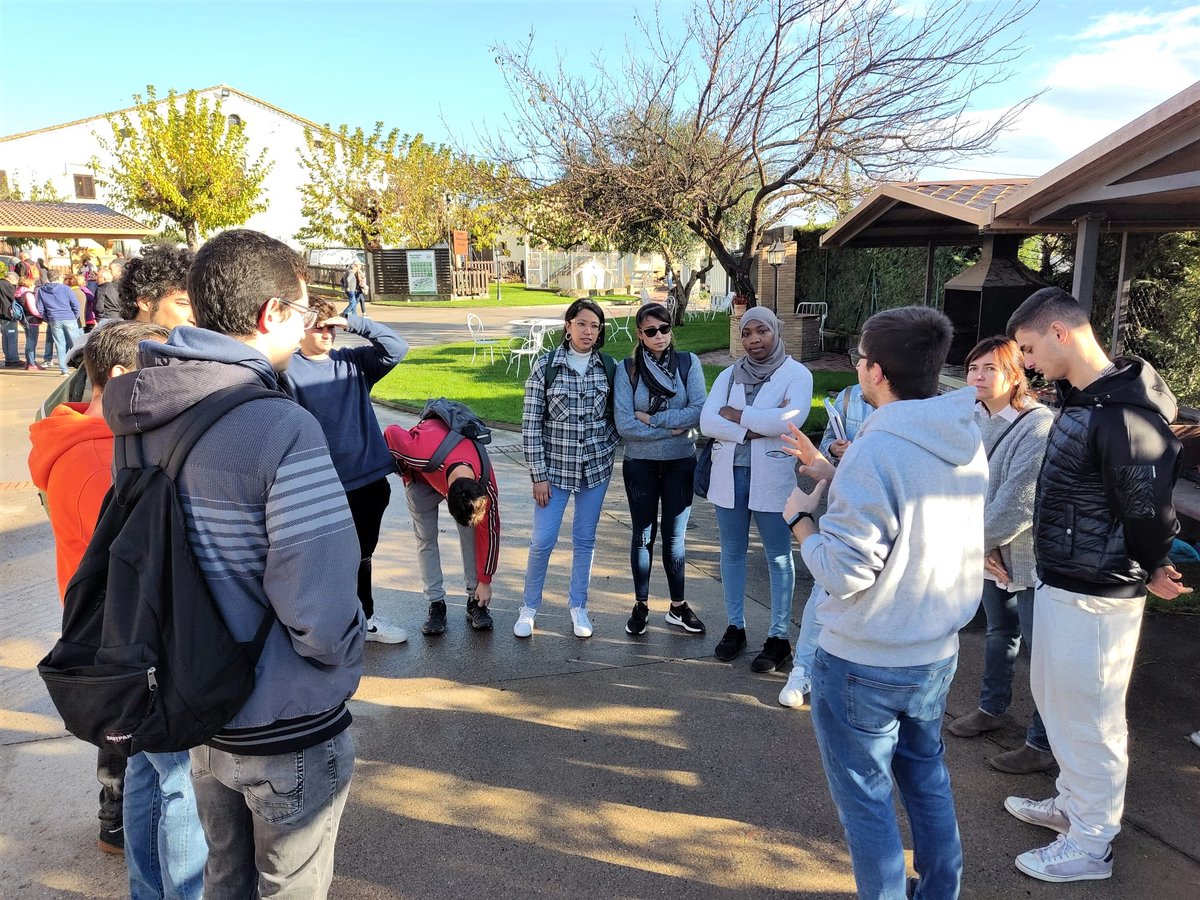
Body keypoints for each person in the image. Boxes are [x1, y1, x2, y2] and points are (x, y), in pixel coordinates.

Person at [101, 229, 364, 897]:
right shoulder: (281, 425)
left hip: (198, 705)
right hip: (286, 718)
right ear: (271, 314)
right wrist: (341, 653)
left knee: (224, 877)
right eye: (304, 311)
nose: (309, 326)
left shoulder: (143, 409)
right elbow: (320, 606)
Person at [781, 305, 987, 900]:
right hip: (933, 652)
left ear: (874, 371)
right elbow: (913, 512)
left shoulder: (876, 449)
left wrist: (801, 523)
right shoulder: (961, 435)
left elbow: (844, 574)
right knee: (927, 781)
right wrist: (831, 473)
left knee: (868, 806)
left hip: (863, 658)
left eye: (860, 360)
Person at [1003, 287, 1189, 883]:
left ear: (1061, 333)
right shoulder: (1086, 402)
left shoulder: (1125, 413)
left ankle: (1091, 845)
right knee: (1059, 702)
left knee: (1092, 717)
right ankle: (1074, 806)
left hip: (1099, 593)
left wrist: (1154, 562)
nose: (1026, 362)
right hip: (1063, 579)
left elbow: (1146, 508)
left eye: (1028, 348)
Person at [29, 322, 209, 897]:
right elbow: (142, 556)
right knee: (178, 774)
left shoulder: (81, 438)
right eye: (164, 372)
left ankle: (148, 887)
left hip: (114, 629)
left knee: (148, 769)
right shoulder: (98, 455)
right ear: (123, 378)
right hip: (130, 634)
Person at [945, 337, 1056, 775]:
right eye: (973, 368)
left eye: (989, 368)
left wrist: (977, 545)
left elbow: (1019, 501)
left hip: (1026, 554)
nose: (977, 376)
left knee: (1041, 648)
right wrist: (980, 548)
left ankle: (1041, 742)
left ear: (1014, 374)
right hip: (986, 552)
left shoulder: (1038, 426)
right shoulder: (968, 418)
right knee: (999, 631)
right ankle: (991, 710)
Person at [286, 297, 409, 643]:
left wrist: (353, 322)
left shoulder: (353, 361)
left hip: (369, 480)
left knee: (361, 555)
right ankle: (325, 625)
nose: (327, 333)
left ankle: (364, 619)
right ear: (300, 329)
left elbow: (397, 347)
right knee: (324, 559)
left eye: (331, 326)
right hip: (323, 484)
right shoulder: (287, 371)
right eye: (318, 326)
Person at [699, 306, 812, 671]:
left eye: (761, 331)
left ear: (776, 332)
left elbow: (790, 420)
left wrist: (736, 415)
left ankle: (779, 637)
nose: (754, 340)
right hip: (730, 476)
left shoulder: (797, 374)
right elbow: (706, 420)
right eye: (747, 333)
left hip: (773, 478)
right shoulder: (730, 375)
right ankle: (736, 627)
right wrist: (755, 426)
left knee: (778, 556)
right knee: (731, 552)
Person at [516, 298, 620, 639]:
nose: (588, 331)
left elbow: (618, 416)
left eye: (595, 326)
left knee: (585, 540)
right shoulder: (546, 366)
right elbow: (531, 425)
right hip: (554, 473)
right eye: (582, 324)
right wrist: (538, 475)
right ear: (568, 325)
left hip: (595, 469)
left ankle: (579, 607)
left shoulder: (608, 367)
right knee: (543, 540)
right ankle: (529, 608)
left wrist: (608, 444)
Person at [778, 380, 875, 708]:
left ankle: (846, 678)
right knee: (823, 591)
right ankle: (803, 668)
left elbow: (881, 483)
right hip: (842, 507)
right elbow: (832, 441)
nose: (858, 367)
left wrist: (799, 521)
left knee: (842, 587)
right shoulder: (850, 397)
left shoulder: (906, 418)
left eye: (863, 359)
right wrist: (833, 456)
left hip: (869, 522)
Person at [613, 302, 708, 636]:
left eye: (664, 329)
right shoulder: (627, 370)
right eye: (650, 331)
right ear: (639, 334)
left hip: (680, 462)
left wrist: (654, 420)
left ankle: (677, 607)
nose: (659, 336)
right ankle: (641, 605)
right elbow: (624, 423)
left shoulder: (688, 363)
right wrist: (671, 428)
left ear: (671, 329)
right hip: (640, 464)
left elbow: (698, 410)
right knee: (642, 534)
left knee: (674, 539)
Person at [385, 412, 501, 634]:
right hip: (423, 475)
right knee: (426, 538)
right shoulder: (420, 452)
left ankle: (475, 600)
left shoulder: (486, 484)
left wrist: (485, 580)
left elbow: (491, 532)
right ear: (447, 497)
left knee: (472, 535)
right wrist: (407, 474)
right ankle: (436, 603)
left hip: (446, 466)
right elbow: (391, 433)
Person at [36, 271, 82, 375]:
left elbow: (40, 308)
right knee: (75, 344)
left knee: (60, 344)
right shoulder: (66, 289)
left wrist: (47, 318)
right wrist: (75, 316)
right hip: (68, 317)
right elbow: (75, 304)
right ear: (59, 277)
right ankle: (79, 365)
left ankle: (64, 369)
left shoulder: (41, 290)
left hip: (54, 318)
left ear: (48, 278)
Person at [16, 276, 43, 370]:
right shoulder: (28, 294)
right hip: (32, 320)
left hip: (24, 319)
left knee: (29, 341)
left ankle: (29, 362)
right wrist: (43, 316)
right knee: (32, 342)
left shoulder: (18, 292)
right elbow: (33, 310)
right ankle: (31, 363)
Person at [1, 270, 20, 367]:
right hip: (8, 315)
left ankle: (8, 358)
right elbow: (15, 297)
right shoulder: (7, 285)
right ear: (12, 279)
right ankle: (13, 359)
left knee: (5, 338)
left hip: (2, 316)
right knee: (12, 338)